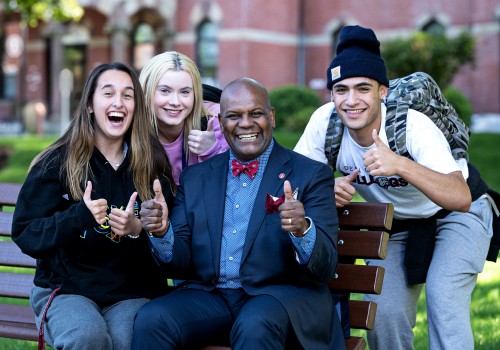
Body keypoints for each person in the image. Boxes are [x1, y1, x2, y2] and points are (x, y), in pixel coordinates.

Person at [294, 25, 494, 350]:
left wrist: (400, 164)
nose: (351, 100)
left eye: (363, 88)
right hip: (398, 225)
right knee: (383, 315)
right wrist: (324, 189)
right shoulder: (325, 123)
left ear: (382, 91)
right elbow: (294, 183)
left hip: (458, 214)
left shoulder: (411, 125)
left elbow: (460, 197)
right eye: (341, 90)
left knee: (444, 297)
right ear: (331, 94)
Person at [132, 77, 346, 349]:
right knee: (153, 319)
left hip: (279, 297)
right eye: (234, 116)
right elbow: (180, 263)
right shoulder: (196, 178)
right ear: (221, 123)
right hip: (212, 297)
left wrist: (303, 230)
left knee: (255, 324)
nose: (245, 123)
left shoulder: (311, 174)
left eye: (255, 113)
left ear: (271, 116)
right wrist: (163, 233)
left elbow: (325, 267)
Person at [11, 62, 176, 350]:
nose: (118, 102)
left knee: (128, 339)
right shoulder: (58, 163)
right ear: (89, 104)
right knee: (88, 337)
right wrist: (78, 217)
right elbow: (26, 232)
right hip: (66, 289)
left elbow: (170, 239)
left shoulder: (151, 165)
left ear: (136, 107)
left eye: (128, 95)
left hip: (130, 292)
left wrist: (141, 228)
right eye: (108, 93)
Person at [139, 51, 229, 185]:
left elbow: (236, 186)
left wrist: (212, 150)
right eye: (165, 90)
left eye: (185, 92)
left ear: (195, 94)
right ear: (146, 91)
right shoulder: (132, 129)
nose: (175, 102)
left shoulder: (216, 123)